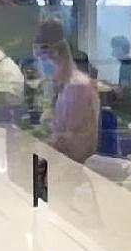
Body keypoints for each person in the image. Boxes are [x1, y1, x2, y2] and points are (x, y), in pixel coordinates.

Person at [33, 19, 100, 162]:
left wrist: (36, 145)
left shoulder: (77, 87)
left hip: (74, 166)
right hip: (64, 163)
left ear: (56, 53)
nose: (41, 65)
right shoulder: (65, 86)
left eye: (43, 59)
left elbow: (72, 142)